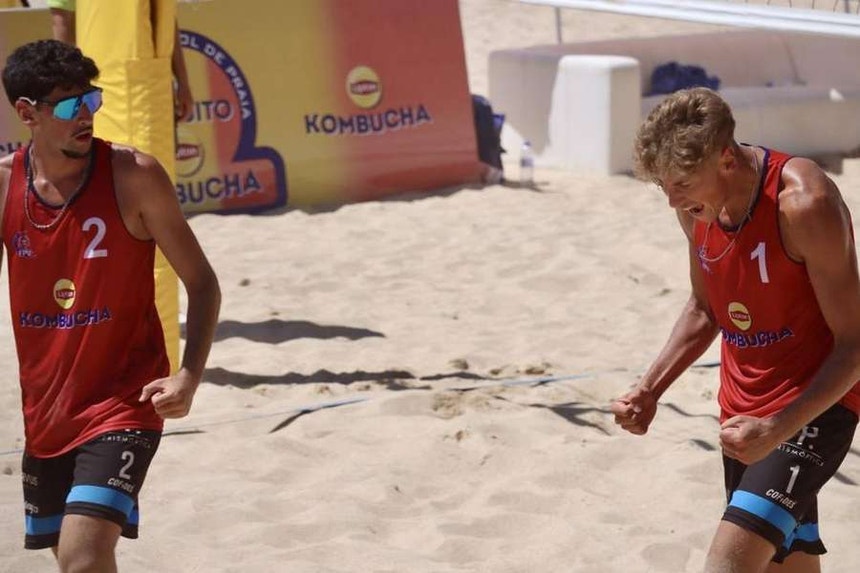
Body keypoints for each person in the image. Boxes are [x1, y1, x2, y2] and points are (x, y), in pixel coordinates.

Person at [610, 87, 860, 573]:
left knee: (727, 565)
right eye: (663, 186)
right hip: (742, 415)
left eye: (681, 183)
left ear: (726, 158)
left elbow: (856, 344)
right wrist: (649, 390)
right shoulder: (694, 208)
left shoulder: (803, 204)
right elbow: (705, 310)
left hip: (813, 407)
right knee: (785, 566)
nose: (672, 201)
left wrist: (776, 427)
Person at [1, 39, 220, 571]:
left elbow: (203, 283)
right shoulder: (6, 184)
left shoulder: (133, 175)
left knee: (83, 555)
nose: (87, 116)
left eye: (91, 100)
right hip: (47, 410)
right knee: (78, 561)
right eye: (72, 106)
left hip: (126, 400)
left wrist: (189, 375)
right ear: (27, 113)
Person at [47, 0, 194, 122]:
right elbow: (62, 25)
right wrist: (71, 91)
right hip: (100, 88)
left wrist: (183, 83)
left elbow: (165, 20)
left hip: (152, 88)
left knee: (156, 154)